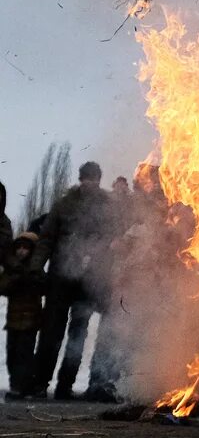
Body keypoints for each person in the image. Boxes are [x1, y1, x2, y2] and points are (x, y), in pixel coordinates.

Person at [30, 161, 114, 400]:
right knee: (50, 334)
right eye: (86, 178)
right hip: (60, 278)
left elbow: (112, 239)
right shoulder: (64, 204)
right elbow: (46, 239)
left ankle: (65, 386)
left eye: (94, 178)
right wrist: (37, 267)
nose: (90, 182)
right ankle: (40, 383)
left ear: (99, 179)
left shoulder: (108, 206)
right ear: (80, 179)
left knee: (78, 335)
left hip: (87, 283)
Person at [0, 232, 47, 400]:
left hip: (30, 322)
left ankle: (22, 387)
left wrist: (32, 280)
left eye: (25, 248)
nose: (21, 251)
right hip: (13, 322)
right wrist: (15, 278)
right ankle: (16, 385)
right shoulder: (12, 270)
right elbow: (3, 287)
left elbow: (44, 287)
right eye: (18, 247)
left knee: (24, 356)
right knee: (12, 354)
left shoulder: (36, 271)